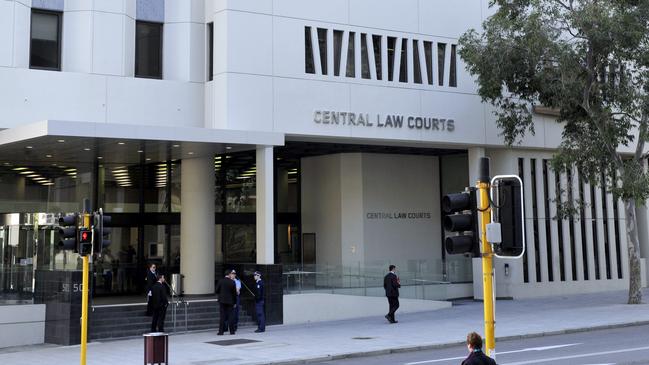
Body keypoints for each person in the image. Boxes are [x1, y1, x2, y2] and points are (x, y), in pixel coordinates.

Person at [215, 269, 237, 335]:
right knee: (231, 316)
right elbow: (234, 294)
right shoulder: (232, 282)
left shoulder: (220, 281)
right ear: (229, 274)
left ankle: (221, 332)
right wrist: (235, 302)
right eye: (231, 274)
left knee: (222, 316)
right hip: (230, 301)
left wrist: (221, 293)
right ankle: (232, 331)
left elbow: (216, 290)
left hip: (222, 301)